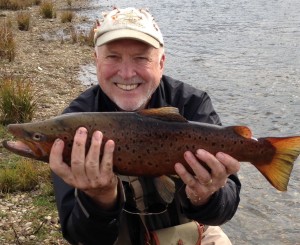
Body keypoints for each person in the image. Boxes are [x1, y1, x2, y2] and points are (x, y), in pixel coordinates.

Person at [49, 7, 241, 245]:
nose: (127, 73)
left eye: (141, 58)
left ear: (161, 62)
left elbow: (225, 209)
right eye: (113, 57)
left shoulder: (191, 103)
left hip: (189, 229)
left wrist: (205, 195)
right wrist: (99, 199)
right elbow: (80, 236)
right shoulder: (75, 125)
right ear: (96, 61)